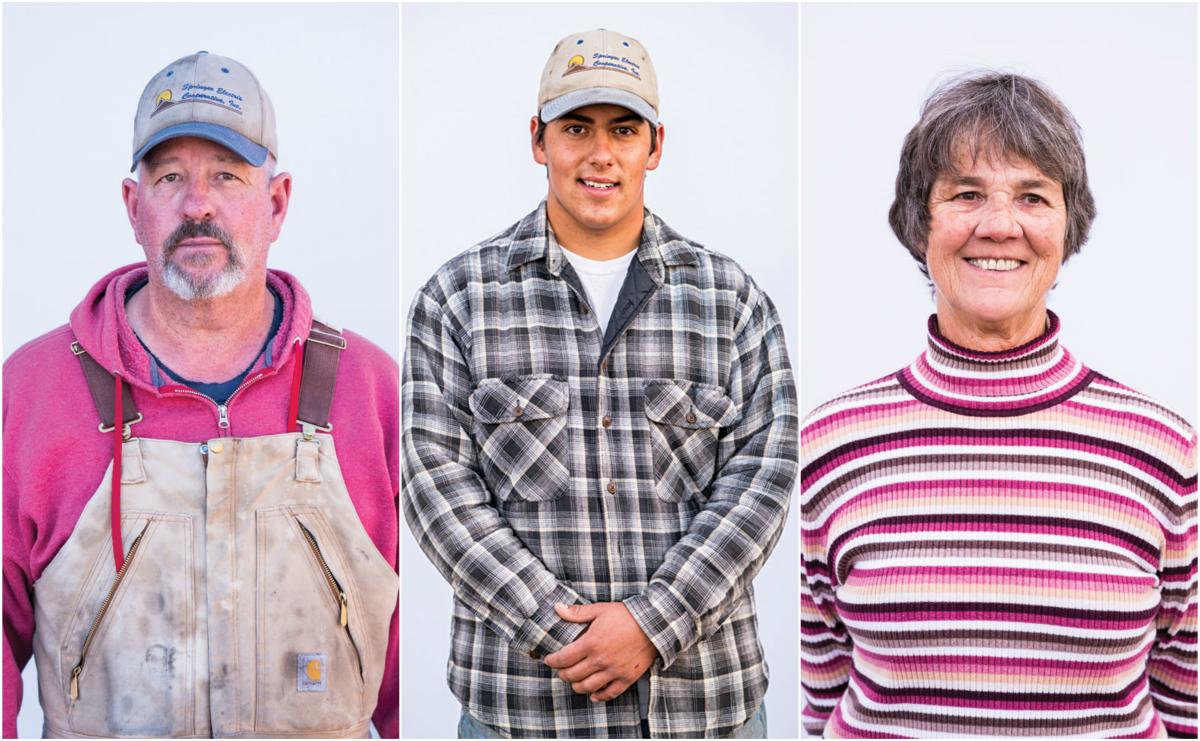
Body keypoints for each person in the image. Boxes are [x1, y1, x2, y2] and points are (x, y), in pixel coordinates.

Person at [403, 28, 797, 739]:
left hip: (706, 708)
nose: (600, 153)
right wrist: (563, 632)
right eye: (576, 127)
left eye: (623, 129)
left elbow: (762, 477)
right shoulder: (458, 298)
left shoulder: (730, 300)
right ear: (538, 139)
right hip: (523, 711)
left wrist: (653, 621)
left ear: (656, 145)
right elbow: (436, 488)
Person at [2, 51, 398, 738]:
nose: (197, 204)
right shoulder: (33, 391)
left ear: (276, 203)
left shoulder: (368, 389)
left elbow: (401, 659)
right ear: (134, 206)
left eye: (226, 174)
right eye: (170, 177)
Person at [800, 71, 1197, 739]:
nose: (998, 225)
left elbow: (1188, 704)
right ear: (918, 219)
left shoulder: (1166, 450)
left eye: (1032, 196)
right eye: (966, 194)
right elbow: (821, 700)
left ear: (1068, 226)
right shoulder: (829, 445)